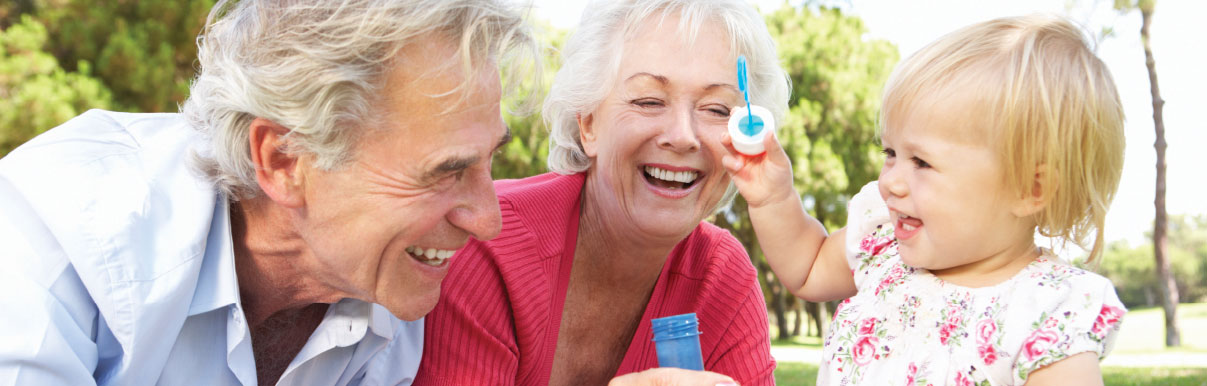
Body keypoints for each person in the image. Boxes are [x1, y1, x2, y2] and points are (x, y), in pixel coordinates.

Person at [0, 0, 538, 384]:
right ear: (282, 160)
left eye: (489, 162)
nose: (487, 221)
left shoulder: (392, 313)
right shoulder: (59, 227)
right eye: (444, 172)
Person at [722, 14, 1128, 385]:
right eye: (890, 154)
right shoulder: (884, 245)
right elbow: (806, 267)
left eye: (922, 162)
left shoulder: (1049, 312)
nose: (890, 182)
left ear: (1031, 189)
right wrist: (773, 197)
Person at [413, 0, 788, 385]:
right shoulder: (489, 245)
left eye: (716, 109)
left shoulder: (722, 280)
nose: (683, 136)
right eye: (648, 101)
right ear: (588, 123)